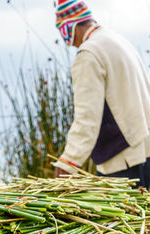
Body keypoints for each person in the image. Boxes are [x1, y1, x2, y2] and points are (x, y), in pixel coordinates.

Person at [53, 0, 150, 189]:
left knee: (119, 218)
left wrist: (68, 162)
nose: (71, 45)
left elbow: (87, 117)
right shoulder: (117, 41)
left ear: (69, 28)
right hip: (146, 149)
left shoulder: (89, 54)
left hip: (123, 159)